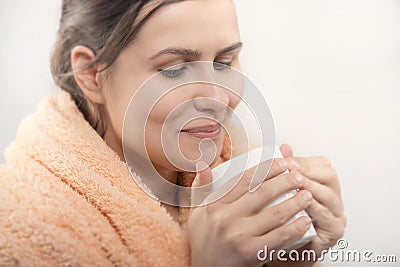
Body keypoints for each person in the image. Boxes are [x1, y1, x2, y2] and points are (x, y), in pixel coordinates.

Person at [0, 0, 346, 266]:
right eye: (175, 69)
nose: (216, 97)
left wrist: (287, 255)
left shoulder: (237, 169)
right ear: (91, 74)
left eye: (224, 63)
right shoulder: (23, 230)